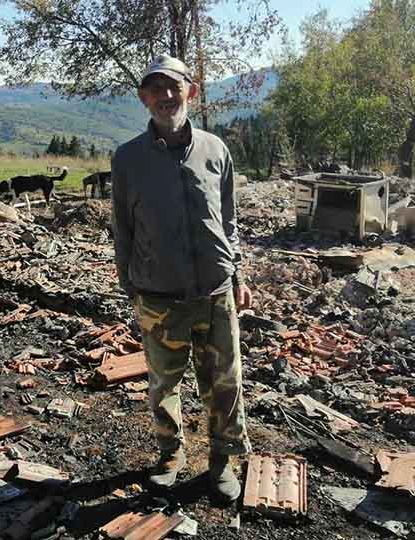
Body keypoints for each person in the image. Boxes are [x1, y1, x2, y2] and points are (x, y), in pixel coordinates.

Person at [110, 54, 252, 502]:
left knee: (224, 382)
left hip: (214, 292)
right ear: (143, 98)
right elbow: (122, 228)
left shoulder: (215, 150)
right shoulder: (128, 159)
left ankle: (222, 461)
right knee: (162, 383)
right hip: (158, 294)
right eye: (156, 89)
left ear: (191, 91)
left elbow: (228, 220)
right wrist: (130, 284)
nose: (166, 97)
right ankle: (170, 455)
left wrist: (238, 273)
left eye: (174, 87)